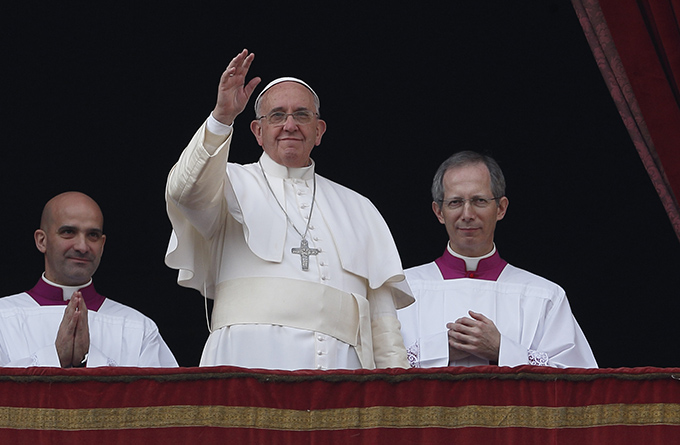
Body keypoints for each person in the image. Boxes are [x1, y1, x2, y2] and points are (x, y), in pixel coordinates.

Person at [164, 49, 413, 370]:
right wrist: (222, 117)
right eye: (277, 115)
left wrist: (397, 387)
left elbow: (382, 319)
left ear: (319, 130)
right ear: (257, 131)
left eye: (302, 115)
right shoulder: (227, 183)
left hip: (341, 374)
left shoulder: (359, 207)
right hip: (246, 364)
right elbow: (183, 191)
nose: (290, 124)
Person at [398, 151, 597, 368]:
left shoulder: (544, 296)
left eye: (479, 201)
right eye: (455, 202)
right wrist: (437, 350)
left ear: (501, 208)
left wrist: (502, 349)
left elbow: (577, 383)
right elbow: (371, 373)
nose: (467, 214)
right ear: (439, 212)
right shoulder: (401, 290)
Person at [0, 192, 178, 368]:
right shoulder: (4, 317)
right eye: (68, 232)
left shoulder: (138, 327)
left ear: (102, 245)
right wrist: (54, 358)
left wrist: (86, 361)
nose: (82, 247)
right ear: (42, 241)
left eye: (92, 235)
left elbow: (163, 395)